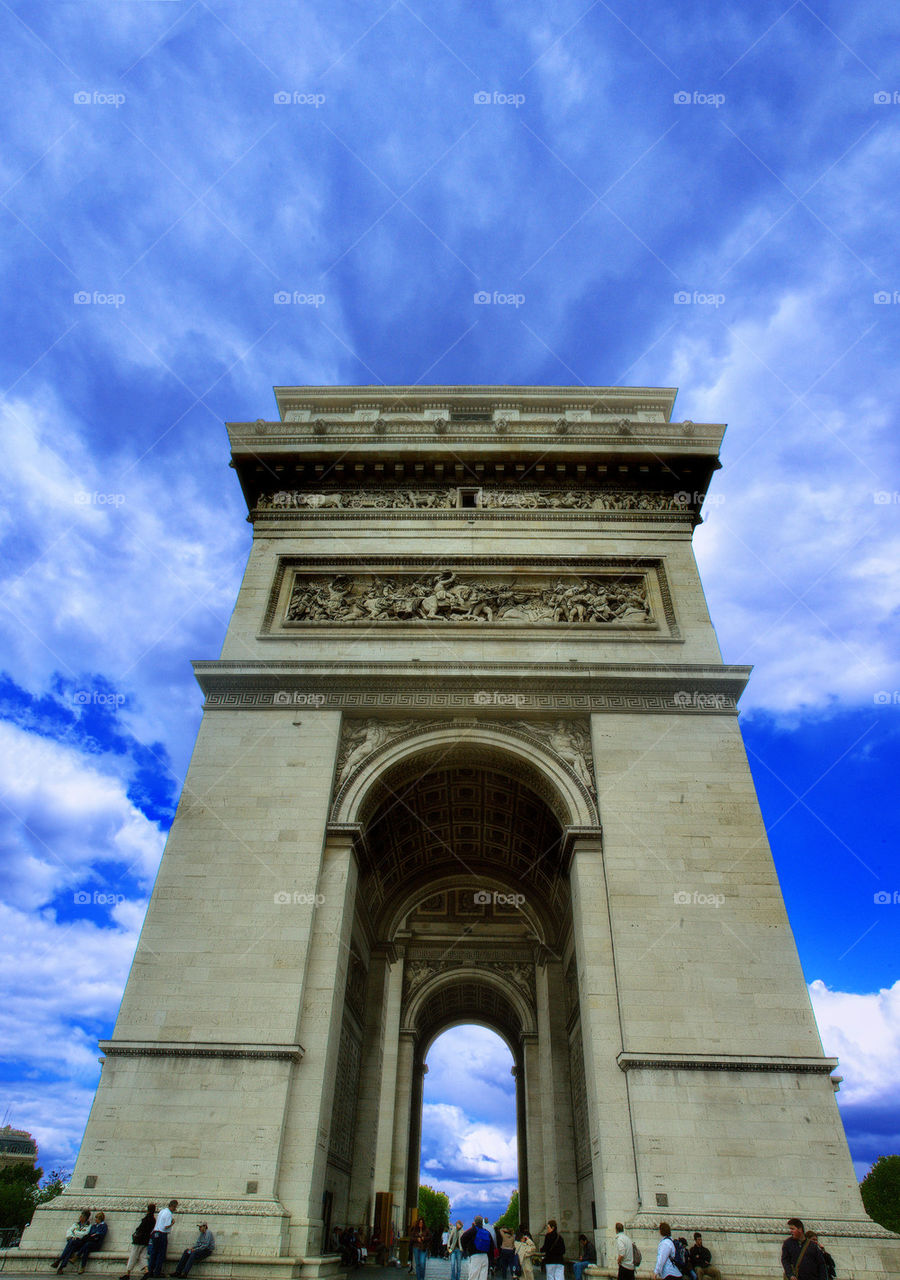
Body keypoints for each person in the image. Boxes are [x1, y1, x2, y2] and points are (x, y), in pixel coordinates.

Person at [120, 1203, 156, 1280]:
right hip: (146, 1240)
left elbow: (140, 1229)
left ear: (148, 1210)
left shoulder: (146, 1219)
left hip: (139, 1240)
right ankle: (146, 1271)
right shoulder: (153, 1220)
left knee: (133, 1255)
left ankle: (128, 1273)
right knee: (143, 1256)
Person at [147, 1200, 178, 1277]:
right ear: (173, 1206)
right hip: (162, 1234)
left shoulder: (162, 1211)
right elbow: (166, 1226)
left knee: (154, 1253)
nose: (175, 1209)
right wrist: (172, 1223)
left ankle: (150, 1271)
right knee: (161, 1254)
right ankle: (157, 1272)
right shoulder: (169, 1214)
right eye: (175, 1207)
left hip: (155, 1233)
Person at [461, 1216, 493, 1280]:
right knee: (483, 1278)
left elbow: (463, 1238)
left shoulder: (473, 1230)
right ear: (482, 1223)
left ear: (475, 1222)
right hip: (485, 1257)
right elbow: (491, 1246)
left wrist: (465, 1249)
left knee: (473, 1277)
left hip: (475, 1256)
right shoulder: (487, 1232)